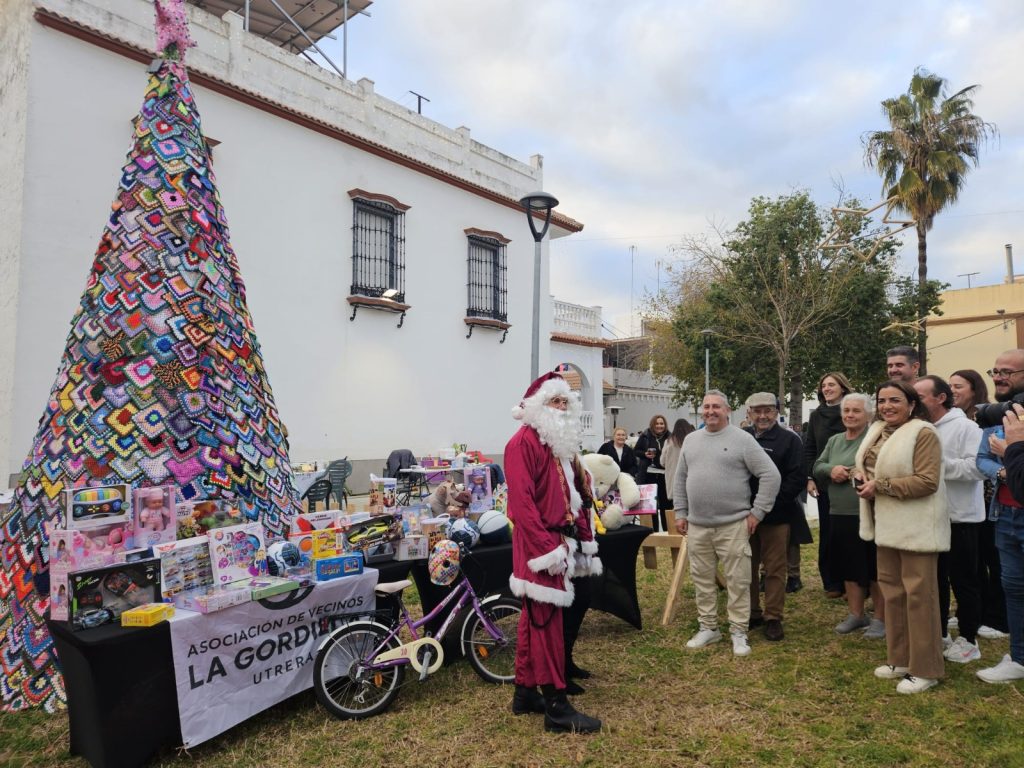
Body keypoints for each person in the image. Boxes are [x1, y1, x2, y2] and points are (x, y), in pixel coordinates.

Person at [505, 371, 602, 733]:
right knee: (546, 624)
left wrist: (581, 540)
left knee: (534, 621)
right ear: (537, 406)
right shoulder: (522, 444)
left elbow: (572, 497)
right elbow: (522, 505)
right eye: (554, 401)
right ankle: (556, 705)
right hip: (539, 546)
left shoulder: (556, 446)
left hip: (557, 542)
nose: (560, 408)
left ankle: (525, 692)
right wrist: (547, 550)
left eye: (564, 402)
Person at [854, 379, 949, 694]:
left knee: (920, 598)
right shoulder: (877, 430)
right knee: (893, 595)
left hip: (917, 528)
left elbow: (927, 481)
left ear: (911, 404)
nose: (887, 406)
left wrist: (880, 486)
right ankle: (901, 659)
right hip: (886, 526)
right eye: (882, 400)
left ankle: (926, 668)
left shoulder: (923, 433)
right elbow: (871, 468)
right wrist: (860, 477)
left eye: (895, 400)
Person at [673, 390, 781, 657]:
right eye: (706, 406)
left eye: (716, 407)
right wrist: (681, 512)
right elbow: (680, 478)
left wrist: (758, 512)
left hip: (733, 524)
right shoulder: (691, 440)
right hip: (697, 525)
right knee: (702, 579)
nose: (710, 411)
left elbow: (770, 474)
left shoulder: (742, 439)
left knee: (738, 580)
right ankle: (708, 627)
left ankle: (738, 631)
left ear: (728, 410)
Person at [913, 376, 985, 664]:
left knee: (964, 581)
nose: (914, 402)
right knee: (935, 580)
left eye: (920, 396)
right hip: (930, 516)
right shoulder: (920, 428)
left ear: (941, 398)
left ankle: (968, 639)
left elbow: (977, 468)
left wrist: (934, 465)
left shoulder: (967, 427)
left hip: (961, 518)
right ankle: (940, 631)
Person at [813, 393, 885, 638]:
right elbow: (817, 465)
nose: (850, 415)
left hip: (868, 512)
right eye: (846, 411)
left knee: (873, 567)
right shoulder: (834, 440)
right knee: (849, 565)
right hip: (838, 512)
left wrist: (855, 472)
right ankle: (856, 614)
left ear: (868, 414)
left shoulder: (874, 439)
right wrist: (830, 469)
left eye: (856, 411)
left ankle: (881, 618)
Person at [976, 351, 1024, 683]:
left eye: (1007, 371)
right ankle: (1019, 658)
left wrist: (1009, 451)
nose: (998, 377)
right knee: (1014, 587)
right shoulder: (999, 415)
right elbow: (983, 457)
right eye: (995, 371)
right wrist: (1004, 471)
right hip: (1005, 512)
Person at [743, 393, 803, 641]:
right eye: (757, 411)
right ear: (749, 413)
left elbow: (796, 477)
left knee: (775, 568)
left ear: (777, 412)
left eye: (767, 410)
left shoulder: (789, 440)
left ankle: (773, 617)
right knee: (745, 567)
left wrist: (767, 506)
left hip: (776, 515)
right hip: (744, 515)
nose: (762, 416)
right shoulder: (741, 437)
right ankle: (751, 612)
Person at [955, 367, 1009, 642]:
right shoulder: (953, 420)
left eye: (958, 386)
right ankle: (976, 611)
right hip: (969, 501)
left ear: (974, 390)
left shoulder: (988, 417)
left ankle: (998, 617)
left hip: (991, 499)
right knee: (972, 563)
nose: (952, 391)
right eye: (949, 386)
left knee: (994, 559)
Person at [804, 372, 852, 598]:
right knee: (829, 533)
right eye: (824, 385)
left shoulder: (852, 411)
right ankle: (832, 581)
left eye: (832, 384)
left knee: (850, 533)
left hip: (851, 482)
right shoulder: (816, 416)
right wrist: (810, 478)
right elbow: (810, 448)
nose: (827, 388)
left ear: (843, 387)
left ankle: (854, 581)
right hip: (824, 482)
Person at [635, 415, 670, 530]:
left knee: (666, 505)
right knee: (651, 505)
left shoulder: (669, 437)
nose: (659, 426)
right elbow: (636, 451)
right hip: (648, 475)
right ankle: (652, 531)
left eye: (661, 423)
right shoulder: (646, 435)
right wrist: (645, 454)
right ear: (652, 425)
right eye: (657, 423)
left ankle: (667, 531)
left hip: (664, 475)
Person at [660, 419, 695, 512]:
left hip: (673, 480)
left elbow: (662, 462)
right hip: (690, 478)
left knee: (678, 509)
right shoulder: (692, 441)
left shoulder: (669, 442)